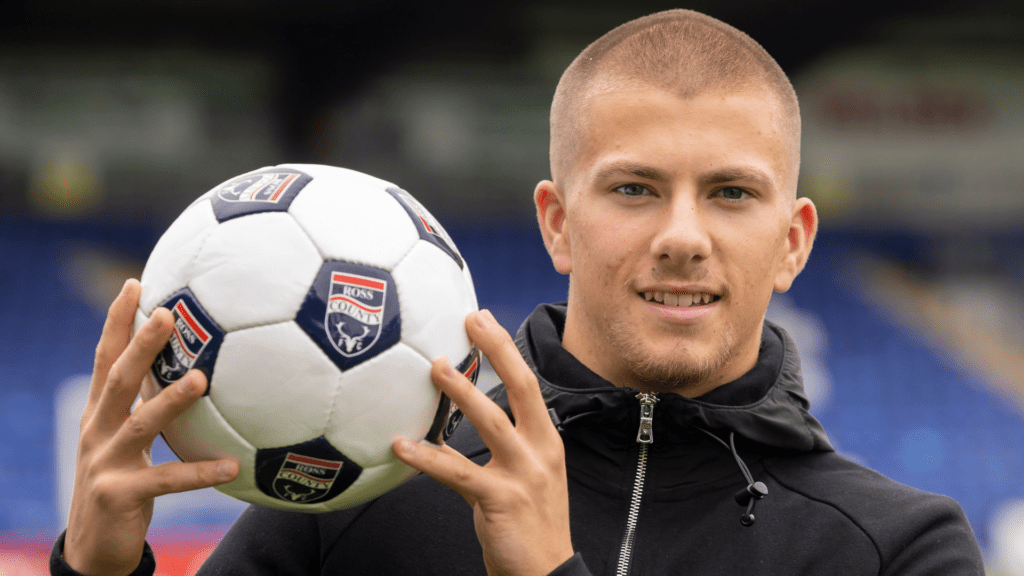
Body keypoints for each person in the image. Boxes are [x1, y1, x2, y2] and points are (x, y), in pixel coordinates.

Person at [53, 9, 985, 576]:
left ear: (792, 242)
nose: (682, 237)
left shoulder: (897, 551)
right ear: (556, 222)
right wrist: (99, 570)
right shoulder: (367, 479)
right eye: (634, 188)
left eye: (731, 194)